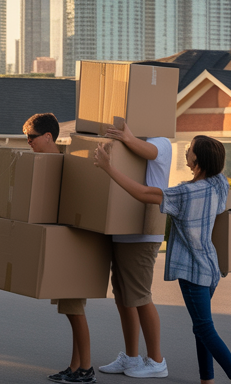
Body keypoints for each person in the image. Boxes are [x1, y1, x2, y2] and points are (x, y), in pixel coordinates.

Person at [93, 134, 231, 384]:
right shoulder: (219, 184)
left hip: (192, 270)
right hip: (211, 267)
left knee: (203, 327)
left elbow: (144, 193)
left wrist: (108, 167)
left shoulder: (184, 194)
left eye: (189, 150)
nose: (186, 153)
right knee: (201, 326)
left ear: (197, 159)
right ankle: (207, 380)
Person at [23, 113, 95, 384]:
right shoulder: (49, 164)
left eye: (31, 137)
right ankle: (75, 366)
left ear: (48, 137)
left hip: (73, 246)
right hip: (63, 244)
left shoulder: (64, 164)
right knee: (71, 310)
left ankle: (86, 370)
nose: (28, 142)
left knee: (75, 311)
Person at [96, 122, 171, 379]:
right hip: (121, 229)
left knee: (140, 295)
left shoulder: (161, 141)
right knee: (123, 296)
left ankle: (157, 361)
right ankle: (131, 356)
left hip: (143, 231)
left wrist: (127, 137)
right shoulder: (127, 141)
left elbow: (149, 152)